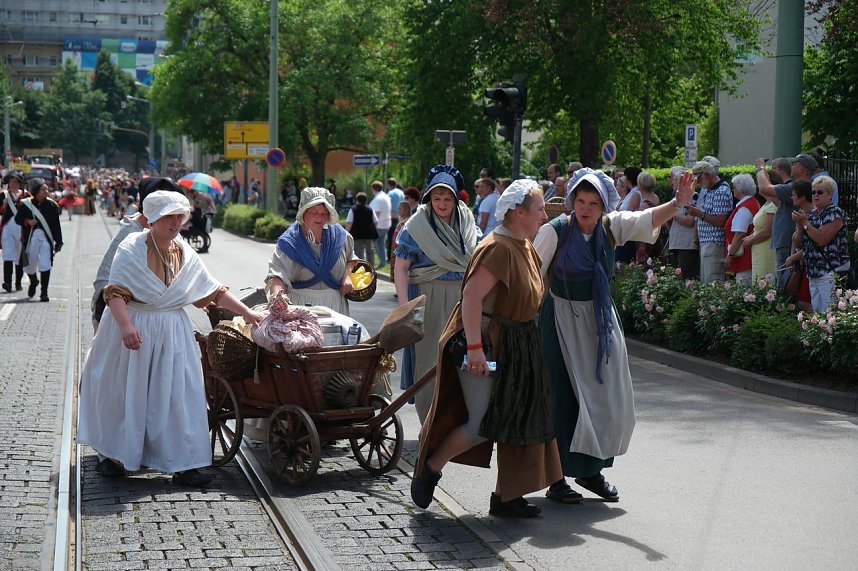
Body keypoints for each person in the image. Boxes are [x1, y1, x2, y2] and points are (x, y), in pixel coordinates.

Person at [77, 191, 264, 486]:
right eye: (169, 217)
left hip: (172, 332)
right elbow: (114, 292)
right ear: (152, 219)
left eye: (180, 216)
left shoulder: (184, 251)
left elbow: (211, 290)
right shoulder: (131, 247)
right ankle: (113, 456)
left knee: (179, 395)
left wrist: (248, 313)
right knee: (125, 392)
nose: (176, 223)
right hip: (135, 328)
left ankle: (184, 463)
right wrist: (125, 326)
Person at [534, 168, 694, 503]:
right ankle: (556, 477)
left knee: (607, 399)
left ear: (603, 206)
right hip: (560, 320)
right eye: (580, 200)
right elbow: (531, 278)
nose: (585, 208)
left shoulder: (610, 227)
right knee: (563, 399)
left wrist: (677, 203)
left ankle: (591, 471)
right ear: (572, 200)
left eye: (593, 203)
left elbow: (647, 219)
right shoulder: (555, 231)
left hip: (599, 322)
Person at [410, 179, 561, 517]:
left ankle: (507, 496)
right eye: (539, 209)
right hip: (484, 343)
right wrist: (476, 348)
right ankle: (430, 468)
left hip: (517, 343)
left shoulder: (523, 244)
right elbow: (471, 297)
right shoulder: (498, 247)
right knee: (482, 423)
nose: (544, 215)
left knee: (515, 419)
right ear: (518, 212)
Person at [394, 165, 480, 422]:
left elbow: (478, 261)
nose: (442, 204)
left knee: (461, 360)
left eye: (447, 199)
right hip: (428, 296)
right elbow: (401, 267)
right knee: (429, 362)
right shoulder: (416, 225)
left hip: (462, 297)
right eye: (436, 198)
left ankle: (457, 424)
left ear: (456, 198)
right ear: (429, 198)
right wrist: (405, 308)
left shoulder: (467, 222)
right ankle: (429, 425)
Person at [91, 178, 183, 330]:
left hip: (161, 321)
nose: (176, 221)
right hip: (128, 319)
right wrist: (124, 323)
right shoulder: (130, 235)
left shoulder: (171, 235)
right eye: (168, 214)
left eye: (179, 215)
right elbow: (106, 282)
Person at [266, 187, 356, 316]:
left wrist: (347, 277)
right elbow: (277, 275)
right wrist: (277, 298)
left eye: (324, 212)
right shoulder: (290, 242)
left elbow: (351, 259)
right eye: (314, 212)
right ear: (303, 212)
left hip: (336, 305)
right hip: (301, 306)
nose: (319, 216)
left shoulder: (340, 236)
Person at [786, 176, 849, 312]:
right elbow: (798, 241)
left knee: (829, 312)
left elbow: (821, 239)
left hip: (830, 271)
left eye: (820, 192)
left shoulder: (835, 213)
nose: (815, 195)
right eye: (813, 192)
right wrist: (800, 225)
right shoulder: (811, 215)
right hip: (813, 271)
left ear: (830, 194)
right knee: (818, 313)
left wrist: (805, 223)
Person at [15, 178, 63, 302]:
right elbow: (18, 219)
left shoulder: (52, 205)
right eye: (43, 189)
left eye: (46, 189)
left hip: (46, 239)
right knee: (29, 266)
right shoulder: (25, 204)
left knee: (45, 264)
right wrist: (27, 221)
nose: (46, 191)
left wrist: (59, 241)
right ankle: (33, 281)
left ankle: (44, 293)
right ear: (36, 191)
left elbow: (56, 225)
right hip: (30, 239)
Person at [686, 161, 733, 283]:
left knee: (712, 282)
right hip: (707, 243)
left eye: (699, 179)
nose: (697, 183)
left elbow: (720, 221)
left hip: (714, 243)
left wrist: (699, 213)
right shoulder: (710, 189)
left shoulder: (721, 191)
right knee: (706, 282)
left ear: (706, 175)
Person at [724, 173, 760, 282]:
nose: (733, 189)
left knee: (743, 285)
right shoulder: (751, 202)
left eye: (734, 187)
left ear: (741, 189)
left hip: (744, 258)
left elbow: (739, 234)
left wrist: (729, 256)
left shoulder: (745, 208)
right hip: (747, 256)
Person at [741, 178, 778, 281]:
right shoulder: (766, 203)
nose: (758, 186)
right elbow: (758, 227)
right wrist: (750, 237)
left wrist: (750, 241)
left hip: (766, 250)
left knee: (764, 282)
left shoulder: (773, 205)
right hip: (759, 251)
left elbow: (767, 232)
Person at [666, 166, 699, 279]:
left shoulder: (693, 197)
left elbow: (690, 221)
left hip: (686, 245)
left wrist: (672, 215)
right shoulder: (676, 199)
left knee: (684, 278)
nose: (672, 183)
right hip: (675, 243)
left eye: (675, 180)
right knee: (673, 278)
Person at [1, 171, 28, 293]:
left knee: (19, 257)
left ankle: (18, 282)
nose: (13, 184)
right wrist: (3, 206)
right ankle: (7, 282)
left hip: (21, 230)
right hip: (7, 229)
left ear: (19, 183)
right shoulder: (3, 195)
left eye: (16, 181)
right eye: (11, 181)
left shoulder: (25, 195)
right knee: (7, 255)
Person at [344, 192, 378, 265]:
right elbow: (376, 221)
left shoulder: (353, 209)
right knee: (370, 252)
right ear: (366, 200)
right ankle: (371, 267)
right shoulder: (370, 209)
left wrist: (346, 233)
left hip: (357, 234)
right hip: (369, 234)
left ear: (357, 200)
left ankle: (360, 267)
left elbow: (349, 222)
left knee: (358, 253)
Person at [369, 181, 391, 268]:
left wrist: (371, 227)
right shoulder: (385, 196)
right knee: (381, 243)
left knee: (373, 244)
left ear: (373, 189)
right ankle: (383, 261)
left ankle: (376, 262)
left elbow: (376, 214)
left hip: (379, 225)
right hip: (386, 223)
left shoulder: (378, 199)